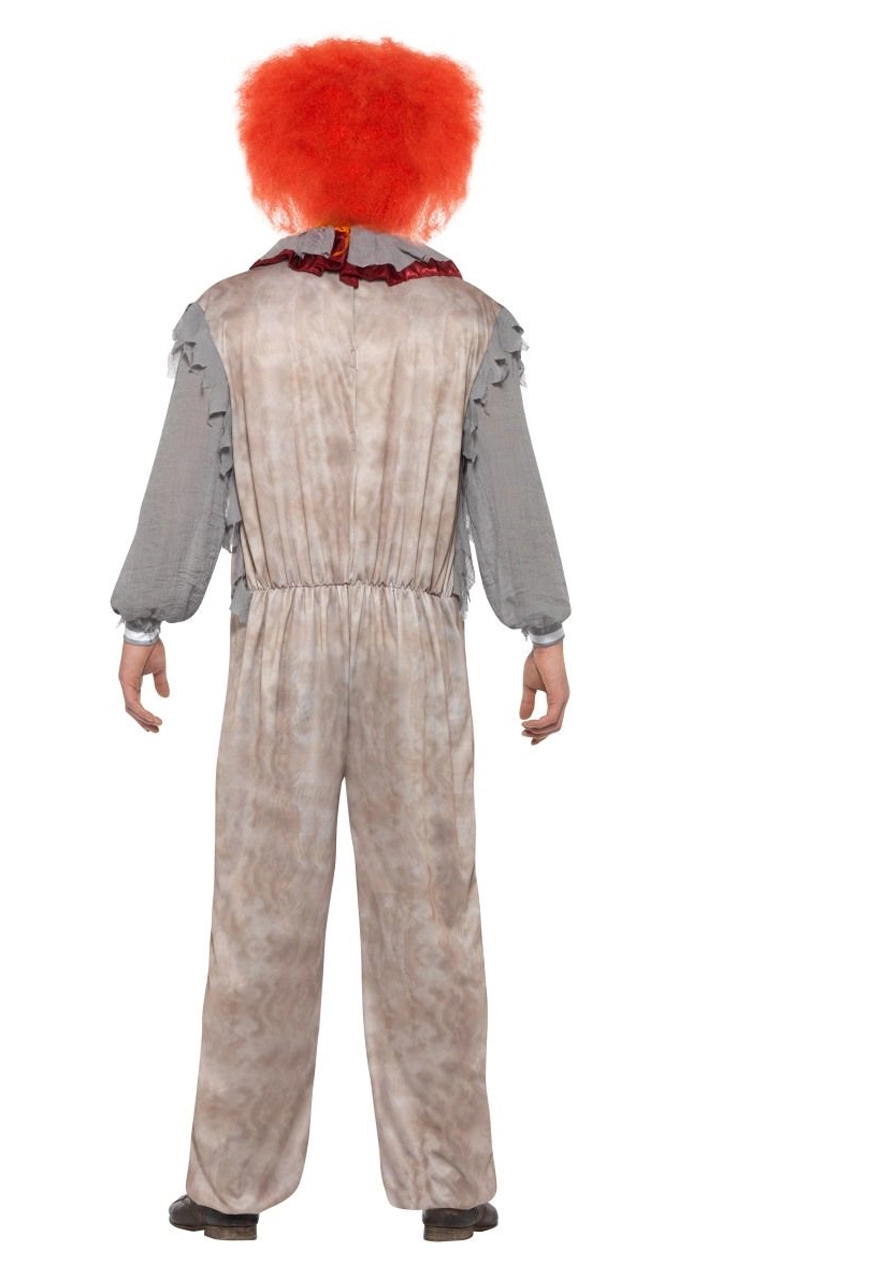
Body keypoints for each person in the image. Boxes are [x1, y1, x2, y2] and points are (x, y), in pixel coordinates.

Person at [110, 35, 571, 1243]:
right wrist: (541, 627)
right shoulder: (469, 322)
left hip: (284, 647)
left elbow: (185, 489)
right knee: (432, 906)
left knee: (260, 904)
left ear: (287, 155)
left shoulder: (230, 315)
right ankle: (452, 1180)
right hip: (418, 648)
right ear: (431, 161)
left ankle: (229, 1187)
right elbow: (507, 496)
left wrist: (147, 613)